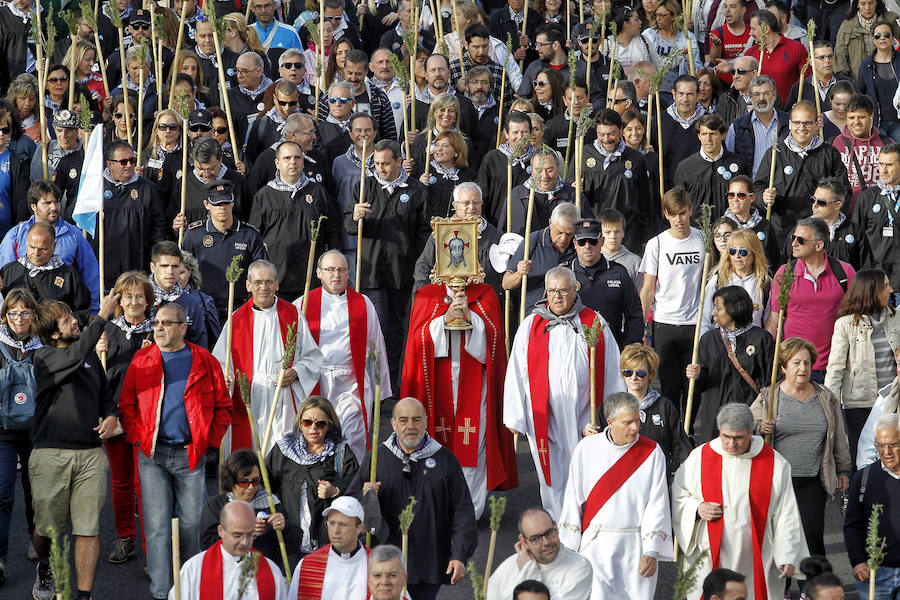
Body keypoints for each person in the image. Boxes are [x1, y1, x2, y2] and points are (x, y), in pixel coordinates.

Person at [118, 302, 233, 600]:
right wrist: (137, 437)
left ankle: (190, 585)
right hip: (152, 455)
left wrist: (210, 441)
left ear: (183, 328)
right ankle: (160, 591)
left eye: (167, 323)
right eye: (157, 322)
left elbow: (224, 406)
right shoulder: (142, 360)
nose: (159, 327)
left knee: (193, 523)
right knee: (156, 526)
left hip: (190, 454)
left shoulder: (205, 360)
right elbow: (127, 404)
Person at [401, 263, 519, 519]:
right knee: (436, 442)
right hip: (437, 378)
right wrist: (443, 320)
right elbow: (416, 340)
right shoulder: (427, 296)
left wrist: (471, 318)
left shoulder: (485, 294)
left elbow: (495, 339)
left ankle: (469, 511)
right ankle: (440, 507)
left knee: (473, 444)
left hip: (475, 377)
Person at [504, 267, 624, 517]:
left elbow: (612, 368)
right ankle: (558, 521)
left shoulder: (593, 323)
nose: (557, 297)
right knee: (552, 475)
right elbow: (516, 371)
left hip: (583, 415)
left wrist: (611, 414)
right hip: (544, 416)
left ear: (575, 289)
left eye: (563, 291)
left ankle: (583, 520)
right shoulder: (531, 325)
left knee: (583, 470)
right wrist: (515, 415)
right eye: (551, 291)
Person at [29, 289, 120, 600]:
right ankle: (44, 565)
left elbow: (105, 395)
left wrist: (110, 415)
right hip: (50, 454)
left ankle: (82, 595)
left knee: (87, 528)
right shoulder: (44, 357)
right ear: (54, 333)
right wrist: (103, 317)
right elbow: (74, 355)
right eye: (66, 318)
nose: (73, 319)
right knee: (47, 531)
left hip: (91, 455)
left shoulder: (89, 354)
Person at [671, 403, 808, 600]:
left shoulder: (775, 463)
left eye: (738, 438)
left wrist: (787, 553)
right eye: (726, 437)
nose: (731, 444)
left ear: (751, 432)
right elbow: (679, 495)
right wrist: (697, 507)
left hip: (756, 557)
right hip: (709, 555)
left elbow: (786, 513)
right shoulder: (700, 457)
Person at [346, 397, 478, 600]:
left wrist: (460, 555)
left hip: (430, 563)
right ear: (393, 424)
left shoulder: (445, 460)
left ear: (425, 421)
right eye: (403, 420)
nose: (410, 426)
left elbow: (463, 511)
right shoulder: (376, 459)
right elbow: (350, 506)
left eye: (416, 420)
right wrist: (365, 497)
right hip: (386, 565)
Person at [559, 392, 673, 599]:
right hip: (595, 544)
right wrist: (568, 549)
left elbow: (657, 504)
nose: (635, 428)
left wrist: (651, 551)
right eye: (628, 422)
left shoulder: (652, 451)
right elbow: (572, 499)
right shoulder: (586, 448)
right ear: (610, 422)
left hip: (635, 545)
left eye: (637, 421)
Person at [750, 336, 851, 558]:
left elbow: (839, 438)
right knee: (779, 536)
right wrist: (760, 429)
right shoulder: (768, 398)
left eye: (806, 363)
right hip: (778, 480)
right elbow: (745, 431)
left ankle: (813, 588)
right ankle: (781, 589)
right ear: (784, 367)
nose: (803, 368)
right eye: (796, 363)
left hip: (813, 479)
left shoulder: (826, 397)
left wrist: (843, 470)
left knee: (811, 535)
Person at [212, 259, 322, 454]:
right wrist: (225, 377)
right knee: (249, 453)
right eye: (258, 282)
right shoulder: (236, 320)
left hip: (282, 397)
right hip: (248, 397)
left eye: (269, 282)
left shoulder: (293, 314)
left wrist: (296, 372)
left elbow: (312, 356)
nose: (264, 287)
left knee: (280, 450)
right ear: (248, 285)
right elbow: (220, 362)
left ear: (277, 284)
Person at [346, 139, 429, 387]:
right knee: (376, 330)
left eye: (386, 163)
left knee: (399, 333)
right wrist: (355, 217)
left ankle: (394, 385)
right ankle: (374, 385)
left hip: (403, 274)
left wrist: (418, 265)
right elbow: (348, 227)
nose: (380, 168)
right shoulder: (365, 187)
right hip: (372, 273)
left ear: (399, 161)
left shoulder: (416, 190)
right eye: (377, 163)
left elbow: (424, 233)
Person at [295, 250, 390, 462]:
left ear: (348, 274)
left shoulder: (363, 304)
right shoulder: (302, 304)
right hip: (316, 380)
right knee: (316, 435)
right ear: (319, 273)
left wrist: (380, 389)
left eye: (341, 269)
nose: (336, 274)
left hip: (351, 384)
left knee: (353, 435)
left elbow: (376, 347)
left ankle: (351, 485)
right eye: (330, 269)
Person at [92, 272, 153, 565]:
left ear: (147, 299)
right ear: (119, 300)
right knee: (121, 482)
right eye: (127, 296)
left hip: (147, 416)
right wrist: (96, 351)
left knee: (147, 484)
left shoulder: (157, 330)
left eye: (139, 296)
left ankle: (150, 542)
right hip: (115, 415)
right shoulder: (106, 331)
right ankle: (126, 536)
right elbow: (93, 376)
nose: (133, 302)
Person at [640, 187, 706, 412]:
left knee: (694, 386)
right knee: (669, 386)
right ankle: (672, 435)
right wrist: (642, 325)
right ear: (666, 215)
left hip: (694, 323)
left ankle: (687, 434)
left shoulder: (702, 238)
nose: (679, 219)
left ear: (690, 211)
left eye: (683, 213)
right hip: (665, 322)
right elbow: (648, 289)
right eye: (673, 214)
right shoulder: (656, 244)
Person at [250, 140, 342, 300]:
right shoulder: (264, 196)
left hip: (311, 278)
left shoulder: (317, 192)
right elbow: (255, 239)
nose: (293, 162)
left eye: (297, 157)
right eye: (287, 158)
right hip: (277, 280)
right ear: (277, 163)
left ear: (303, 161)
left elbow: (332, 232)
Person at [825, 269, 900, 466]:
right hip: (860, 405)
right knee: (862, 460)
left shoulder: (896, 318)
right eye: (885, 286)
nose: (891, 290)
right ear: (871, 290)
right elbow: (835, 370)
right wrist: (829, 408)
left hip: (891, 402)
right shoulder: (845, 324)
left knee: (892, 459)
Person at [767, 218, 855, 382]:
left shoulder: (845, 272)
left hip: (835, 366)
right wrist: (770, 361)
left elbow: (856, 319)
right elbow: (774, 321)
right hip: (793, 367)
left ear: (819, 245)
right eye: (793, 238)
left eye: (800, 240)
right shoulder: (785, 273)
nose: (793, 243)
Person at [687, 286, 775, 442]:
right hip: (714, 420)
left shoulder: (761, 339)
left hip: (748, 417)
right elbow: (699, 387)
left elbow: (770, 382)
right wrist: (696, 375)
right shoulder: (708, 340)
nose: (713, 312)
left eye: (718, 308)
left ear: (734, 308)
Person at [756, 101, 849, 237]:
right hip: (782, 230)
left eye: (807, 123)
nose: (801, 127)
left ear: (816, 124)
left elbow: (844, 189)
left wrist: (833, 218)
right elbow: (758, 186)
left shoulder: (829, 153)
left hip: (819, 231)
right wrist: (763, 198)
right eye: (797, 122)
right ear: (789, 124)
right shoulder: (775, 153)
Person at [182, 180, 268, 322]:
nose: (222, 208)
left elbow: (262, 271)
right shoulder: (193, 234)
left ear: (233, 203)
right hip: (204, 311)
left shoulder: (249, 235)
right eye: (217, 204)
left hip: (240, 310)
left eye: (226, 203)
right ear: (207, 205)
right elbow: (182, 273)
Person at [199, 449, 298, 568]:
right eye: (244, 482)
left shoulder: (272, 503)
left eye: (255, 481)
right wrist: (249, 533)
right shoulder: (217, 506)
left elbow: (294, 544)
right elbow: (207, 545)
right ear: (231, 480)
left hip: (265, 572)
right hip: (227, 572)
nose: (251, 487)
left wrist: (285, 527)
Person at [170, 500, 288, 600]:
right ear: (221, 531)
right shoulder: (194, 569)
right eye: (237, 535)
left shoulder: (271, 571)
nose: (245, 542)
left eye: (250, 534)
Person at [0, 289, 39, 585]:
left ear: (34, 315)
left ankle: (36, 543)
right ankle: (0, 557)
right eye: (13, 313)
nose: (19, 319)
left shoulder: (44, 345)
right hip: (2, 432)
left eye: (25, 312)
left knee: (36, 494)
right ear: (5, 316)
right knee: (2, 495)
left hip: (36, 431)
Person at [578, 109, 653, 251]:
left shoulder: (636, 159)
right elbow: (570, 193)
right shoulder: (583, 154)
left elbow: (645, 202)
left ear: (620, 130)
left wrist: (645, 237)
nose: (606, 139)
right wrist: (575, 189)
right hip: (593, 233)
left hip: (627, 233)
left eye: (611, 134)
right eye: (601, 134)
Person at [843, 413, 900, 600]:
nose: (886, 451)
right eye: (881, 445)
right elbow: (852, 524)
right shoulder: (863, 479)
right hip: (876, 573)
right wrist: (858, 561)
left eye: (893, 445)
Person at [98, 140, 167, 288]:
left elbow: (158, 228)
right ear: (110, 164)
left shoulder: (147, 189)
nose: (129, 165)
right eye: (123, 162)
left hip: (137, 262)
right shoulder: (96, 188)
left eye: (132, 160)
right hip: (105, 264)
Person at [413, 182, 503, 293]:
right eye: (466, 203)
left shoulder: (493, 233)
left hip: (483, 297)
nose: (471, 207)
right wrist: (426, 295)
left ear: (481, 204)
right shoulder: (442, 232)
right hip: (448, 299)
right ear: (455, 205)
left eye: (476, 202)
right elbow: (424, 267)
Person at [485, 507, 592, 600]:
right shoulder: (510, 565)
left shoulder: (580, 567)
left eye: (549, 533)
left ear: (556, 528)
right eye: (535, 538)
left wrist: (528, 569)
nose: (546, 542)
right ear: (523, 541)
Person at [568, 218, 643, 349]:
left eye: (592, 241)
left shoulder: (619, 272)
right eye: (581, 242)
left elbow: (634, 314)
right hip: (574, 349)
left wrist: (630, 347)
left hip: (611, 349)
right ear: (575, 243)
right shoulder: (565, 274)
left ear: (602, 241)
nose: (587, 246)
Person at [0, 223, 92, 324]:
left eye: (43, 249)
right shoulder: (8, 272)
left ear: (54, 246)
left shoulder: (68, 275)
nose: (36, 253)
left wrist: (62, 326)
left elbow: (82, 311)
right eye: (32, 247)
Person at [286, 496, 369, 598]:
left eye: (342, 524)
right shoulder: (307, 566)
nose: (335, 531)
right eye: (332, 523)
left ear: (359, 528)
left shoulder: (377, 565)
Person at [503, 202, 579, 313]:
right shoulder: (532, 241)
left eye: (569, 234)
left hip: (569, 316)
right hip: (534, 314)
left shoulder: (579, 244)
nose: (563, 238)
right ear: (550, 223)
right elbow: (506, 283)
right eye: (559, 232)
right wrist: (519, 274)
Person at [675, 113, 749, 220]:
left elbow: (747, 198)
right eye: (704, 134)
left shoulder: (739, 163)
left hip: (732, 230)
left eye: (713, 134)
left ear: (723, 135)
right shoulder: (685, 168)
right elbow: (679, 204)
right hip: (696, 231)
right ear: (699, 136)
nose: (708, 139)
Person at [699, 229, 771, 337]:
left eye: (743, 252)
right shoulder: (718, 280)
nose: (737, 256)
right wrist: (704, 344)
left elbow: (768, 321)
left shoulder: (765, 283)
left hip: (751, 344)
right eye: (732, 251)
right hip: (721, 343)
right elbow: (704, 317)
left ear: (755, 255)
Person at [852, 143, 900, 293]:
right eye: (880, 164)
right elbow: (857, 240)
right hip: (874, 280)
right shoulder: (866, 198)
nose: (883, 170)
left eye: (889, 165)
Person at [148, 241, 213, 349]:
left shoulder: (191, 303)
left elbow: (199, 347)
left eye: (175, 266)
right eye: (164, 266)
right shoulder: (140, 298)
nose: (170, 271)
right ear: (153, 267)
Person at [833, 94, 893, 212]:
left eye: (861, 117)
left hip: (878, 213)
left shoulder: (887, 144)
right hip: (846, 213)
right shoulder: (836, 143)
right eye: (851, 117)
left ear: (871, 116)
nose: (856, 122)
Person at [724, 75, 789, 180]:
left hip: (783, 189)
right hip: (751, 190)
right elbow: (730, 162)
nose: (761, 98)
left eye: (767, 93)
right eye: (756, 94)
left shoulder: (789, 124)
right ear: (750, 96)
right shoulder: (737, 127)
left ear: (775, 95)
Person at [477, 111, 537, 225]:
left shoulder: (538, 158)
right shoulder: (492, 159)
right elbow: (481, 196)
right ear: (506, 134)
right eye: (515, 132)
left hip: (531, 226)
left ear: (531, 133)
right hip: (498, 225)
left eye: (524, 132)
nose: (520, 137)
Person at [503, 149, 580, 236]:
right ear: (531, 170)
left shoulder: (573, 196)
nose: (544, 175)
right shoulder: (516, 196)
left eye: (550, 170)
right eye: (539, 170)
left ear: (558, 169)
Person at [805, 177, 870, 271]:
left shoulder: (855, 232)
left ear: (837, 205)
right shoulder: (801, 230)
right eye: (813, 199)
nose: (815, 205)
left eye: (821, 202)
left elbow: (865, 271)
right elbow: (788, 268)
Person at [743, 9, 808, 102]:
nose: (750, 33)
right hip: (760, 111)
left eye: (753, 29)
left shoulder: (797, 48)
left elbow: (808, 82)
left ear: (766, 29)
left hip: (789, 112)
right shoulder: (750, 53)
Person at [721, 175, 781, 268]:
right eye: (731, 195)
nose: (735, 199)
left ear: (752, 197)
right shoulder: (722, 226)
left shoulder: (765, 226)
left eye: (741, 195)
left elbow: (774, 261)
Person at [835, 0, 900, 79]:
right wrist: (843, 77)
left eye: (871, 3)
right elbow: (840, 54)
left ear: (876, 3)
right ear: (857, 5)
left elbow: (898, 46)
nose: (867, 8)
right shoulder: (847, 26)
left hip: (887, 76)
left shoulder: (890, 21)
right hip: (857, 80)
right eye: (863, 4)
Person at [784, 41, 853, 114]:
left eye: (830, 56)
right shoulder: (800, 88)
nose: (827, 61)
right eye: (821, 58)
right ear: (811, 61)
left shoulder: (848, 84)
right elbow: (789, 117)